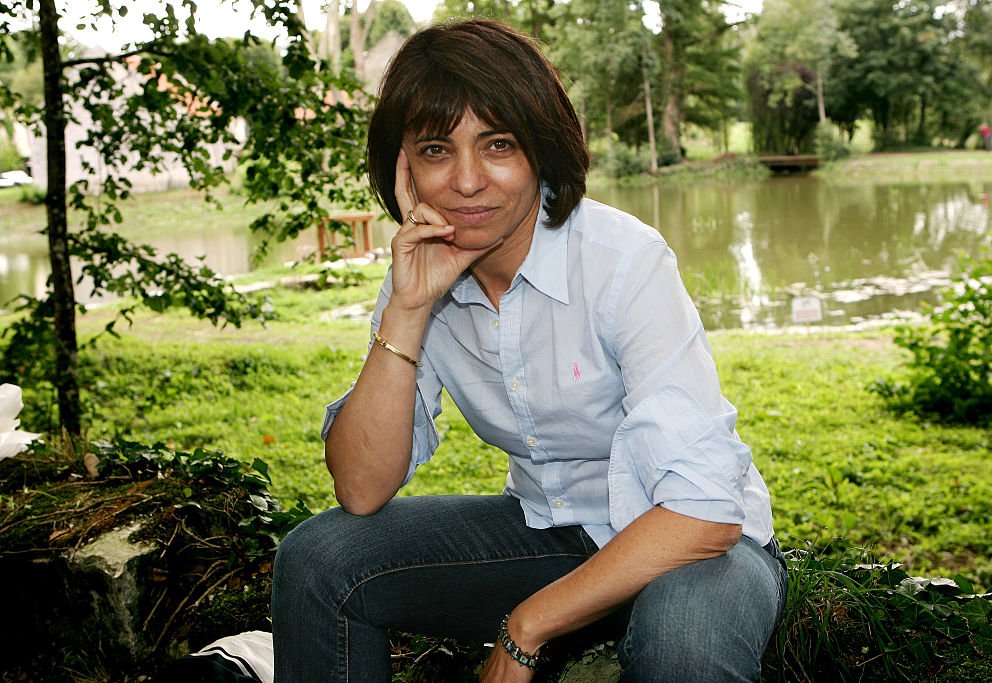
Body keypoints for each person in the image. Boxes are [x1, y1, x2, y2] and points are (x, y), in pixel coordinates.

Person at [272, 18, 787, 683]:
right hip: (550, 535)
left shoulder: (622, 262)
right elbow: (361, 487)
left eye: (497, 144)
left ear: (540, 148)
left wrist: (526, 626)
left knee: (684, 642)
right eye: (435, 149)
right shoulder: (419, 276)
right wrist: (407, 309)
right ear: (402, 168)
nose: (466, 181)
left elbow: (705, 510)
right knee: (318, 559)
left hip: (690, 547)